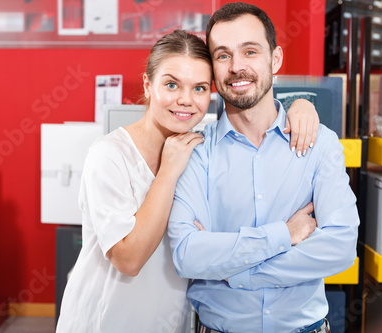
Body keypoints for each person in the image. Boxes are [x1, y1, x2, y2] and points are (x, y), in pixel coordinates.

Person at [56, 29, 319, 333]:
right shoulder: (110, 155)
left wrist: (301, 106)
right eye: (171, 84)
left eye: (199, 88)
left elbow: (214, 254)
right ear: (147, 84)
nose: (185, 100)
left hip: (170, 323)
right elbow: (128, 259)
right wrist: (168, 171)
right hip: (103, 322)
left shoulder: (200, 152)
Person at [167, 3, 360, 333]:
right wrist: (284, 235)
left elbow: (340, 248)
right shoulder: (194, 151)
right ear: (212, 69)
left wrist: (237, 272)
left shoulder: (320, 144)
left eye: (250, 51)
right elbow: (187, 254)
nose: (237, 67)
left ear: (275, 59)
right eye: (223, 55)